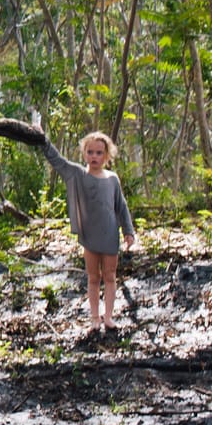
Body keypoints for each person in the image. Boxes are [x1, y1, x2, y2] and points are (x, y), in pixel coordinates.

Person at [42, 130, 136, 334]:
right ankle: (95, 317)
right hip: (90, 235)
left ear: (107, 156)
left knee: (110, 276)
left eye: (99, 153)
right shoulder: (78, 174)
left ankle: (109, 316)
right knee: (93, 277)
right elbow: (58, 161)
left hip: (110, 234)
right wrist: (42, 139)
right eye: (90, 152)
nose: (94, 156)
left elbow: (121, 206)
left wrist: (128, 231)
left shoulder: (112, 179)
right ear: (84, 153)